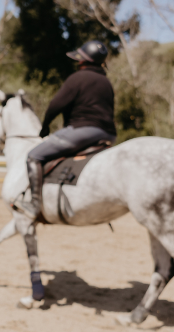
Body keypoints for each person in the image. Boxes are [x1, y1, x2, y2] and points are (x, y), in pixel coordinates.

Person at [17, 40, 117, 219]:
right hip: (108, 133)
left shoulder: (78, 78)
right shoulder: (106, 82)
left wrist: (45, 127)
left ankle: (34, 204)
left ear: (84, 61)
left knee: (34, 156)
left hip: (83, 129)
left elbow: (56, 105)